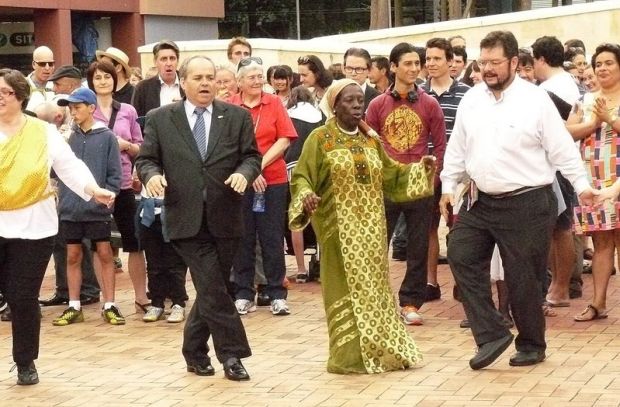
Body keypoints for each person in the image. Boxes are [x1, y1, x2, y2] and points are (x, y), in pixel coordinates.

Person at [439, 31, 595, 371]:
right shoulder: (472, 100)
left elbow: (562, 149)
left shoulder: (536, 100)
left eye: (496, 63)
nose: (489, 70)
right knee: (461, 254)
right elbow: (458, 148)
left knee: (522, 276)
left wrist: (581, 185)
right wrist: (448, 185)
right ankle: (493, 332)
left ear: (513, 62)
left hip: (529, 202)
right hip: (480, 201)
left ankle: (531, 344)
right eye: (484, 63)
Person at [289, 78, 436, 374]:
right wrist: (306, 196)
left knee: (374, 292)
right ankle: (348, 358)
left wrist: (422, 168)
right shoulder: (320, 139)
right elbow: (302, 176)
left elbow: (392, 175)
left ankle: (382, 352)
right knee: (343, 291)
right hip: (337, 234)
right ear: (334, 105)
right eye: (349, 100)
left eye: (360, 100)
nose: (357, 105)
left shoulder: (371, 140)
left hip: (371, 232)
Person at [136, 55, 261, 381]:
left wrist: (244, 174)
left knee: (211, 287)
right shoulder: (161, 119)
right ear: (183, 81)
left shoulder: (236, 117)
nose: (206, 83)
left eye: (211, 77)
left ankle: (193, 350)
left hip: (226, 216)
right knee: (216, 289)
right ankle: (232, 355)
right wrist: (150, 176)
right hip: (184, 218)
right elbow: (147, 159)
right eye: (199, 78)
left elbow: (251, 157)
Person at [0, 68, 115, 385]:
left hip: (33, 227)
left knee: (22, 298)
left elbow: (69, 166)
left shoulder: (42, 132)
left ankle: (25, 362)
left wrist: (94, 190)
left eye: (5, 92)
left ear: (20, 96)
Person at [366, 42, 446, 326]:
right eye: (408, 63)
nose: (414, 69)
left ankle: (411, 301)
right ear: (394, 67)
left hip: (419, 186)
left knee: (418, 246)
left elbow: (440, 146)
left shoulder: (429, 103)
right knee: (377, 244)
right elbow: (368, 145)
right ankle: (375, 300)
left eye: (417, 63)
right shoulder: (377, 104)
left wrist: (432, 180)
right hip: (386, 185)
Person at [229, 57, 298, 316]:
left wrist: (257, 166)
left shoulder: (275, 103)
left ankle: (276, 292)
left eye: (260, 76)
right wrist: (246, 170)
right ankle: (244, 293)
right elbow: (226, 145)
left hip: (273, 179)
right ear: (239, 82)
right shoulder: (230, 106)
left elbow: (284, 140)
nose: (257, 81)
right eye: (251, 77)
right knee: (243, 237)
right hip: (239, 181)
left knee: (271, 237)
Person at [52, 88, 123, 326]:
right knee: (72, 255)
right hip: (70, 208)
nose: (73, 112)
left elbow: (115, 174)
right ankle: (74, 305)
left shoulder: (107, 136)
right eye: (70, 107)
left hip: (97, 208)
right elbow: (56, 170)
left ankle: (110, 303)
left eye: (78, 107)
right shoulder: (66, 137)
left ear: (91, 108)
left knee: (104, 253)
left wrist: (106, 198)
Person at [88, 60, 149, 314]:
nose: (103, 81)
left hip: (124, 183)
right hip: (96, 186)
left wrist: (125, 145)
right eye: (98, 77)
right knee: (99, 244)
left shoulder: (127, 110)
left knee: (134, 242)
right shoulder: (85, 111)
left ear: (115, 80)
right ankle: (107, 300)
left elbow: (140, 146)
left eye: (107, 77)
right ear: (91, 82)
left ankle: (140, 297)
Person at [569, 43, 620, 322]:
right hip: (594, 180)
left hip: (619, 178)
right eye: (598, 63)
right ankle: (598, 303)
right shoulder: (584, 100)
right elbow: (568, 131)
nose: (602, 68)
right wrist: (594, 123)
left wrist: (609, 118)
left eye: (609, 63)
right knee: (601, 242)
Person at [421, 37, 470, 302]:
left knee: (459, 229)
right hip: (425, 171)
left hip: (457, 171)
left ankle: (462, 283)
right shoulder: (417, 92)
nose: (431, 63)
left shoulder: (467, 94)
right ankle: (430, 282)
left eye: (437, 58)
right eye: (428, 58)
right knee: (427, 227)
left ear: (451, 62)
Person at [284, 86, 323, 282]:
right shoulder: (320, 115)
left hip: (291, 167)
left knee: (296, 217)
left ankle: (300, 268)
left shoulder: (287, 115)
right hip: (315, 168)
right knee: (318, 215)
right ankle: (321, 263)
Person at [132, 40, 184, 119]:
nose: (169, 63)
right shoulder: (143, 88)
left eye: (172, 58)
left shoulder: (188, 84)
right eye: (164, 59)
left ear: (178, 61)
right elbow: (136, 120)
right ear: (155, 62)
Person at [26, 46, 55, 112]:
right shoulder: (22, 85)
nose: (47, 68)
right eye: (42, 64)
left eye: (50, 64)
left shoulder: (58, 85)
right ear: (34, 64)